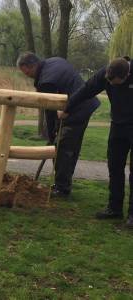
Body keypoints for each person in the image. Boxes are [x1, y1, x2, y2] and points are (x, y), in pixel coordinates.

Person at [60, 57, 133, 227]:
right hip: (118, 126)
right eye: (110, 83)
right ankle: (114, 209)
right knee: (115, 167)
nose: (113, 86)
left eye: (117, 83)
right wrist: (67, 108)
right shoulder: (105, 74)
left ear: (127, 74)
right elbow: (85, 90)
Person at [17, 52, 100, 197]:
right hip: (85, 106)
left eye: (27, 72)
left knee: (62, 148)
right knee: (70, 147)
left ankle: (62, 188)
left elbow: (49, 111)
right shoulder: (54, 61)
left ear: (32, 66)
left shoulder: (46, 81)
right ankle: (63, 183)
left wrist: (51, 134)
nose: (27, 75)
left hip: (77, 110)